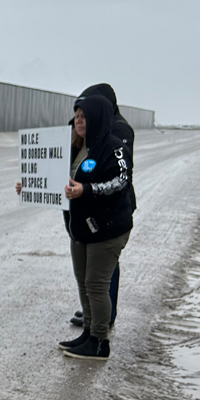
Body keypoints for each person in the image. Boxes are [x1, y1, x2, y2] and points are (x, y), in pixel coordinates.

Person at [58, 94, 134, 360]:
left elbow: (120, 182)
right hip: (80, 229)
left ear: (98, 118)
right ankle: (88, 332)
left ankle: (100, 342)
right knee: (83, 283)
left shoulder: (114, 148)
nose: (79, 121)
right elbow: (59, 179)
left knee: (96, 284)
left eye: (84, 116)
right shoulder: (77, 147)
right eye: (77, 116)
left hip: (108, 228)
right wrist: (31, 187)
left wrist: (86, 190)